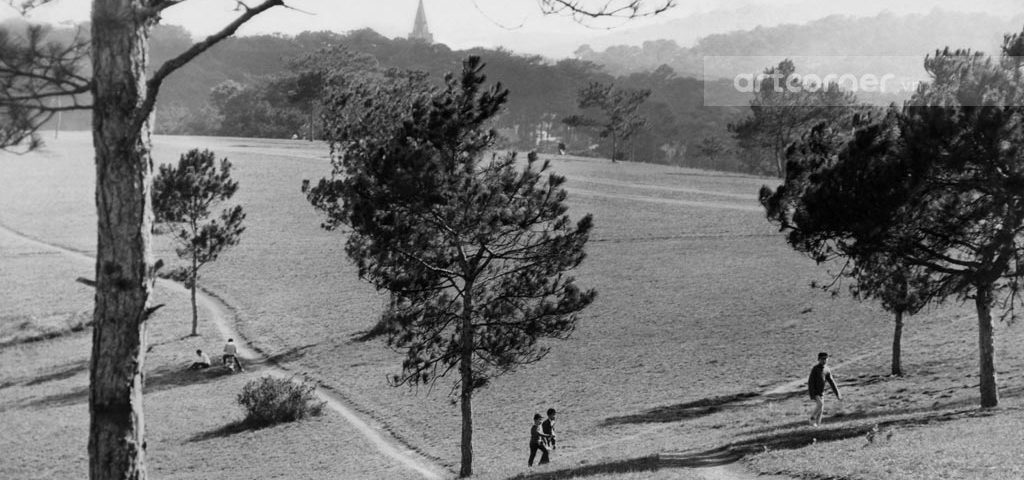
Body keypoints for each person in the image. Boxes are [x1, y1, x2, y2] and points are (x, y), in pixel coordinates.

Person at [808, 352, 841, 426]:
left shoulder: (827, 370)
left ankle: (817, 425)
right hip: (815, 392)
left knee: (821, 410)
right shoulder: (815, 369)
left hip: (821, 392)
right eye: (822, 359)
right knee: (820, 404)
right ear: (818, 359)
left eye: (826, 359)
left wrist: (837, 393)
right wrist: (812, 393)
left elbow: (832, 382)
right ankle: (812, 418)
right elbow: (810, 382)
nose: (824, 361)